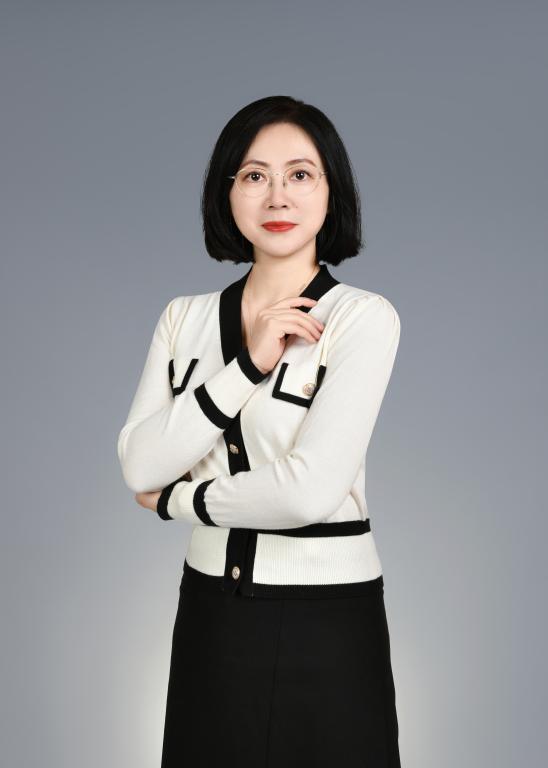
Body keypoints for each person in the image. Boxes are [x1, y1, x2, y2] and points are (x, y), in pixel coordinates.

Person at [117, 95, 402, 767]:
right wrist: (247, 364)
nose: (278, 195)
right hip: (211, 615)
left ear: (331, 191)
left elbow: (308, 491)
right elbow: (138, 463)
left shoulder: (363, 319)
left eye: (300, 174)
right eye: (254, 175)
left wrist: (178, 501)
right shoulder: (183, 319)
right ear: (227, 192)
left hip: (329, 623)